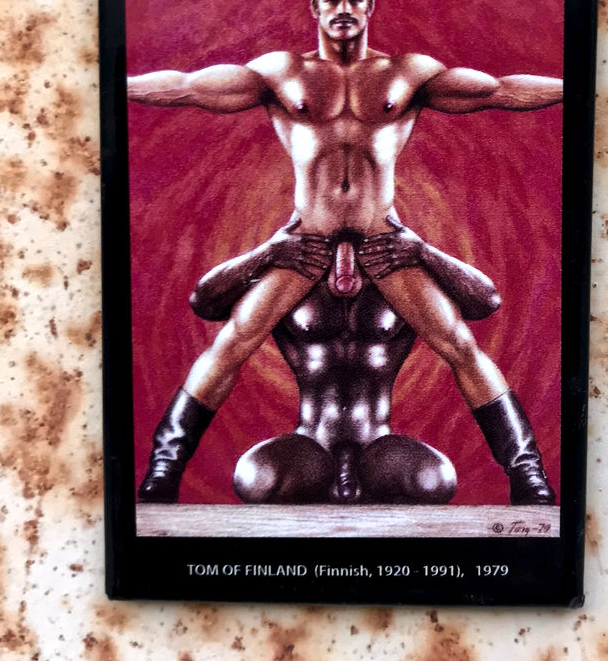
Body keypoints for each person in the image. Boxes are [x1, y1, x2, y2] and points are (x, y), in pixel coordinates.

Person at [128, 0, 562, 505]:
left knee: (459, 344)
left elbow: (499, 90)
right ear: (316, 7)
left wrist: (581, 85)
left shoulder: (407, 74)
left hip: (382, 241)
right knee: (232, 341)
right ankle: (163, 473)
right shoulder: (281, 73)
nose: (343, 10)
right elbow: (187, 86)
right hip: (306, 241)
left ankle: (528, 477)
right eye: (332, 0)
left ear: (369, 6)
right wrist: (114, 85)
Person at [186, 215, 501, 504]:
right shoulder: (288, 280)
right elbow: (205, 302)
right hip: (308, 447)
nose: (344, 269)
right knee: (258, 479)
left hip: (380, 449)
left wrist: (423, 252)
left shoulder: (405, 285)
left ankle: (523, 468)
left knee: (433, 480)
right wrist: (268, 252)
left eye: (358, 252)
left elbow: (486, 301)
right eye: (332, 251)